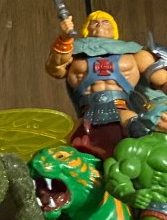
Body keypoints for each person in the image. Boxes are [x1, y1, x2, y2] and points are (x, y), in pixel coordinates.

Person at [45, 11, 165, 159]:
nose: (100, 24)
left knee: (139, 133)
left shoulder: (133, 53)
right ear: (86, 28)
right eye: (94, 22)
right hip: (87, 110)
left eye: (105, 21)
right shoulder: (75, 54)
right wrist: (65, 39)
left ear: (114, 28)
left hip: (120, 107)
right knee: (65, 151)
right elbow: (55, 69)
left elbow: (161, 79)